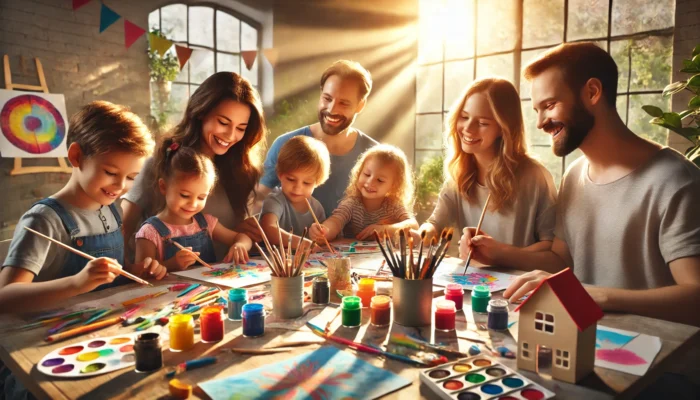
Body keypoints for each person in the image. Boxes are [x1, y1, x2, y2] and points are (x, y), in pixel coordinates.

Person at [467, 43, 700, 327]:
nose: (541, 123)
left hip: (659, 365)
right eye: (537, 110)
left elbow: (695, 298)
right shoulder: (574, 177)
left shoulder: (676, 181)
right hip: (583, 347)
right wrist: (499, 252)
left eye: (550, 105)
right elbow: (562, 262)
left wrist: (593, 295)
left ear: (592, 92)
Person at [0, 101, 166, 313]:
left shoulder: (112, 211)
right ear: (76, 156)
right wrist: (77, 283)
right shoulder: (44, 219)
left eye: (132, 177)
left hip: (108, 324)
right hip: (54, 333)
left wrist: (135, 272)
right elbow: (5, 296)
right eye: (111, 173)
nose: (120, 186)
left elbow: (114, 275)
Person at [122, 72, 267, 253]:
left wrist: (244, 232)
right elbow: (123, 230)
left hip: (220, 273)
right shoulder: (161, 163)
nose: (230, 135)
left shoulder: (242, 171)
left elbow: (232, 235)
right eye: (223, 122)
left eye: (240, 128)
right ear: (201, 112)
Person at [415, 78, 557, 258]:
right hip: (471, 282)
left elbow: (551, 246)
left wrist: (501, 254)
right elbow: (435, 223)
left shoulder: (535, 176)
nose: (468, 129)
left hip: (517, 283)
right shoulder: (458, 173)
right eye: (464, 117)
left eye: (482, 123)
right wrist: (424, 233)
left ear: (503, 128)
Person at [253, 60, 377, 221]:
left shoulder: (373, 154)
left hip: (351, 245)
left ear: (360, 105)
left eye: (343, 103)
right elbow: (260, 199)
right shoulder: (286, 144)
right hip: (289, 243)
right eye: (327, 98)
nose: (332, 109)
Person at [134, 142, 252, 270]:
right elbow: (140, 273)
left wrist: (240, 245)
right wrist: (171, 264)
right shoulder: (150, 232)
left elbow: (242, 237)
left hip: (209, 289)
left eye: (201, 197)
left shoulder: (206, 224)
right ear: (163, 186)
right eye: (185, 195)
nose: (193, 204)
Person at [310, 144, 418, 241]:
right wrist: (324, 231)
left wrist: (385, 229)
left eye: (380, 180)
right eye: (366, 174)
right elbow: (336, 221)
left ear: (394, 186)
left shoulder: (393, 205)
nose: (370, 182)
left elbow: (413, 225)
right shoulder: (352, 204)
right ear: (358, 173)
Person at [260, 136, 330, 248]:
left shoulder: (316, 207)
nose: (297, 188)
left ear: (317, 182)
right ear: (280, 174)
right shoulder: (275, 200)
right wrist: (301, 243)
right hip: (273, 262)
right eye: (291, 179)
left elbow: (323, 241)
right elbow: (269, 229)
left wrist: (322, 236)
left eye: (306, 183)